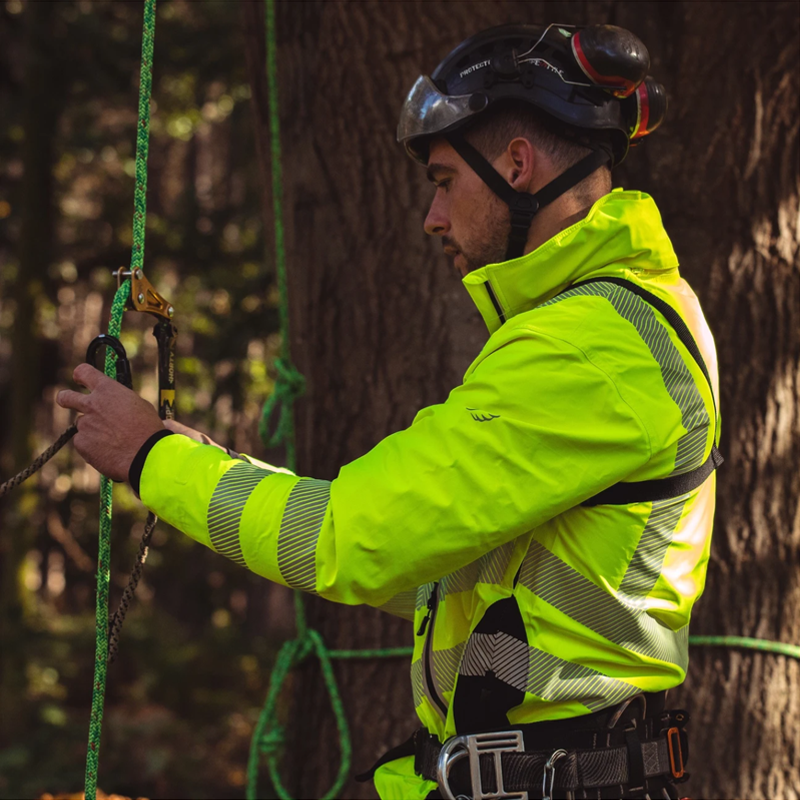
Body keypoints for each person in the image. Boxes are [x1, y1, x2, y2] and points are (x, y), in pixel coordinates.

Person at [57, 23, 721, 800]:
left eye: (443, 181)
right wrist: (215, 469)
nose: (433, 218)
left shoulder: (591, 347)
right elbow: (439, 562)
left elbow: (357, 540)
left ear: (517, 165)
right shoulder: (604, 322)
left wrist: (150, 458)